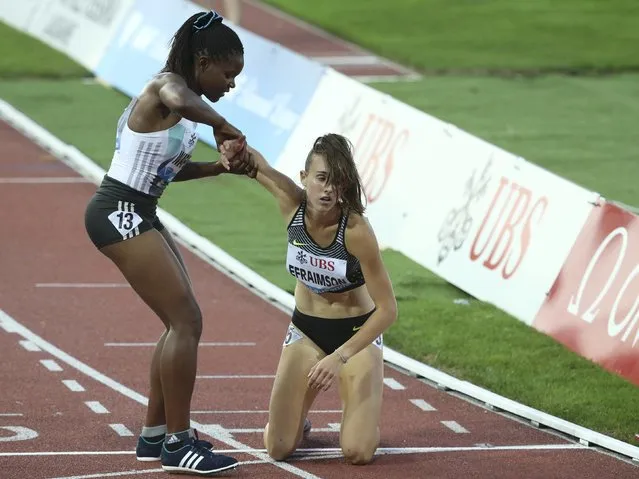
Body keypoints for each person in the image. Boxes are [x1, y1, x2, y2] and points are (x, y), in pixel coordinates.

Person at [84, 10, 253, 476]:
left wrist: (217, 168)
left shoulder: (183, 104)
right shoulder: (165, 88)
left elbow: (167, 171)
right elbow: (177, 94)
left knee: (178, 321)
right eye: (228, 73)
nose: (231, 84)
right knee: (186, 321)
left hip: (141, 210)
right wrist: (224, 126)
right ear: (202, 61)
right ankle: (179, 443)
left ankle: (155, 436)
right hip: (119, 210)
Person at [220, 134, 398, 465]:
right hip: (306, 330)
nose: (328, 190)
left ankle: (364, 420)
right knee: (278, 448)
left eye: (337, 181)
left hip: (353, 334)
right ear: (304, 178)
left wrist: (340, 357)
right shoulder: (291, 203)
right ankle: (297, 419)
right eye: (321, 179)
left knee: (358, 452)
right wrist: (229, 142)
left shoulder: (356, 230)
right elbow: (255, 163)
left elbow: (388, 310)